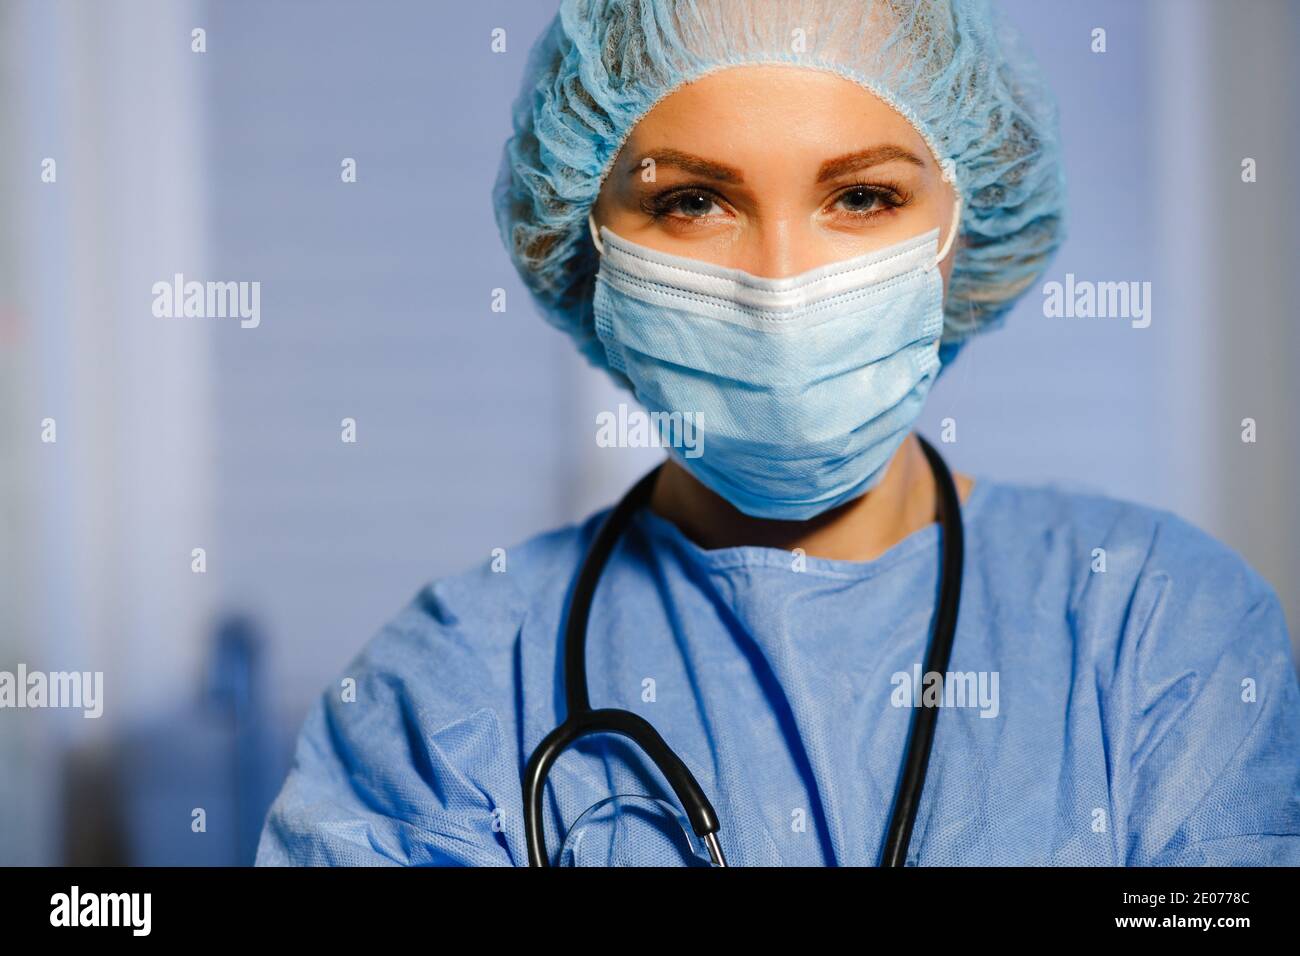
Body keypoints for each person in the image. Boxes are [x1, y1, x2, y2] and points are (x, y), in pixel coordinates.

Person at [256, 0, 1300, 866]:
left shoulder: (1157, 624)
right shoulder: (450, 688)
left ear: (960, 230)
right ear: (582, 241)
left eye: (861, 195)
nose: (781, 287)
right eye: (694, 201)